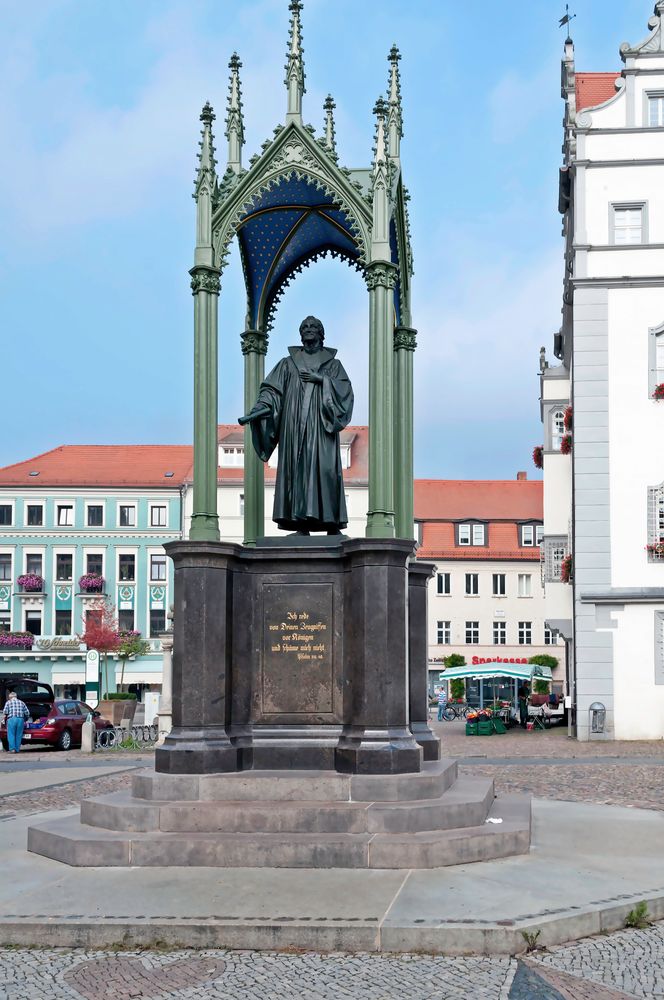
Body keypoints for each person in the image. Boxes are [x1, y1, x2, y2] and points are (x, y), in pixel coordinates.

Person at [239, 316, 354, 534]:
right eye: (304, 327)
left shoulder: (333, 365)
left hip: (321, 427)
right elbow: (271, 390)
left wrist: (322, 380)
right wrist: (262, 406)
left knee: (325, 470)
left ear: (321, 334)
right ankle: (300, 524)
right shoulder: (287, 363)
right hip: (293, 428)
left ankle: (331, 523)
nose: (309, 330)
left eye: (313, 327)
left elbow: (344, 392)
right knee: (297, 471)